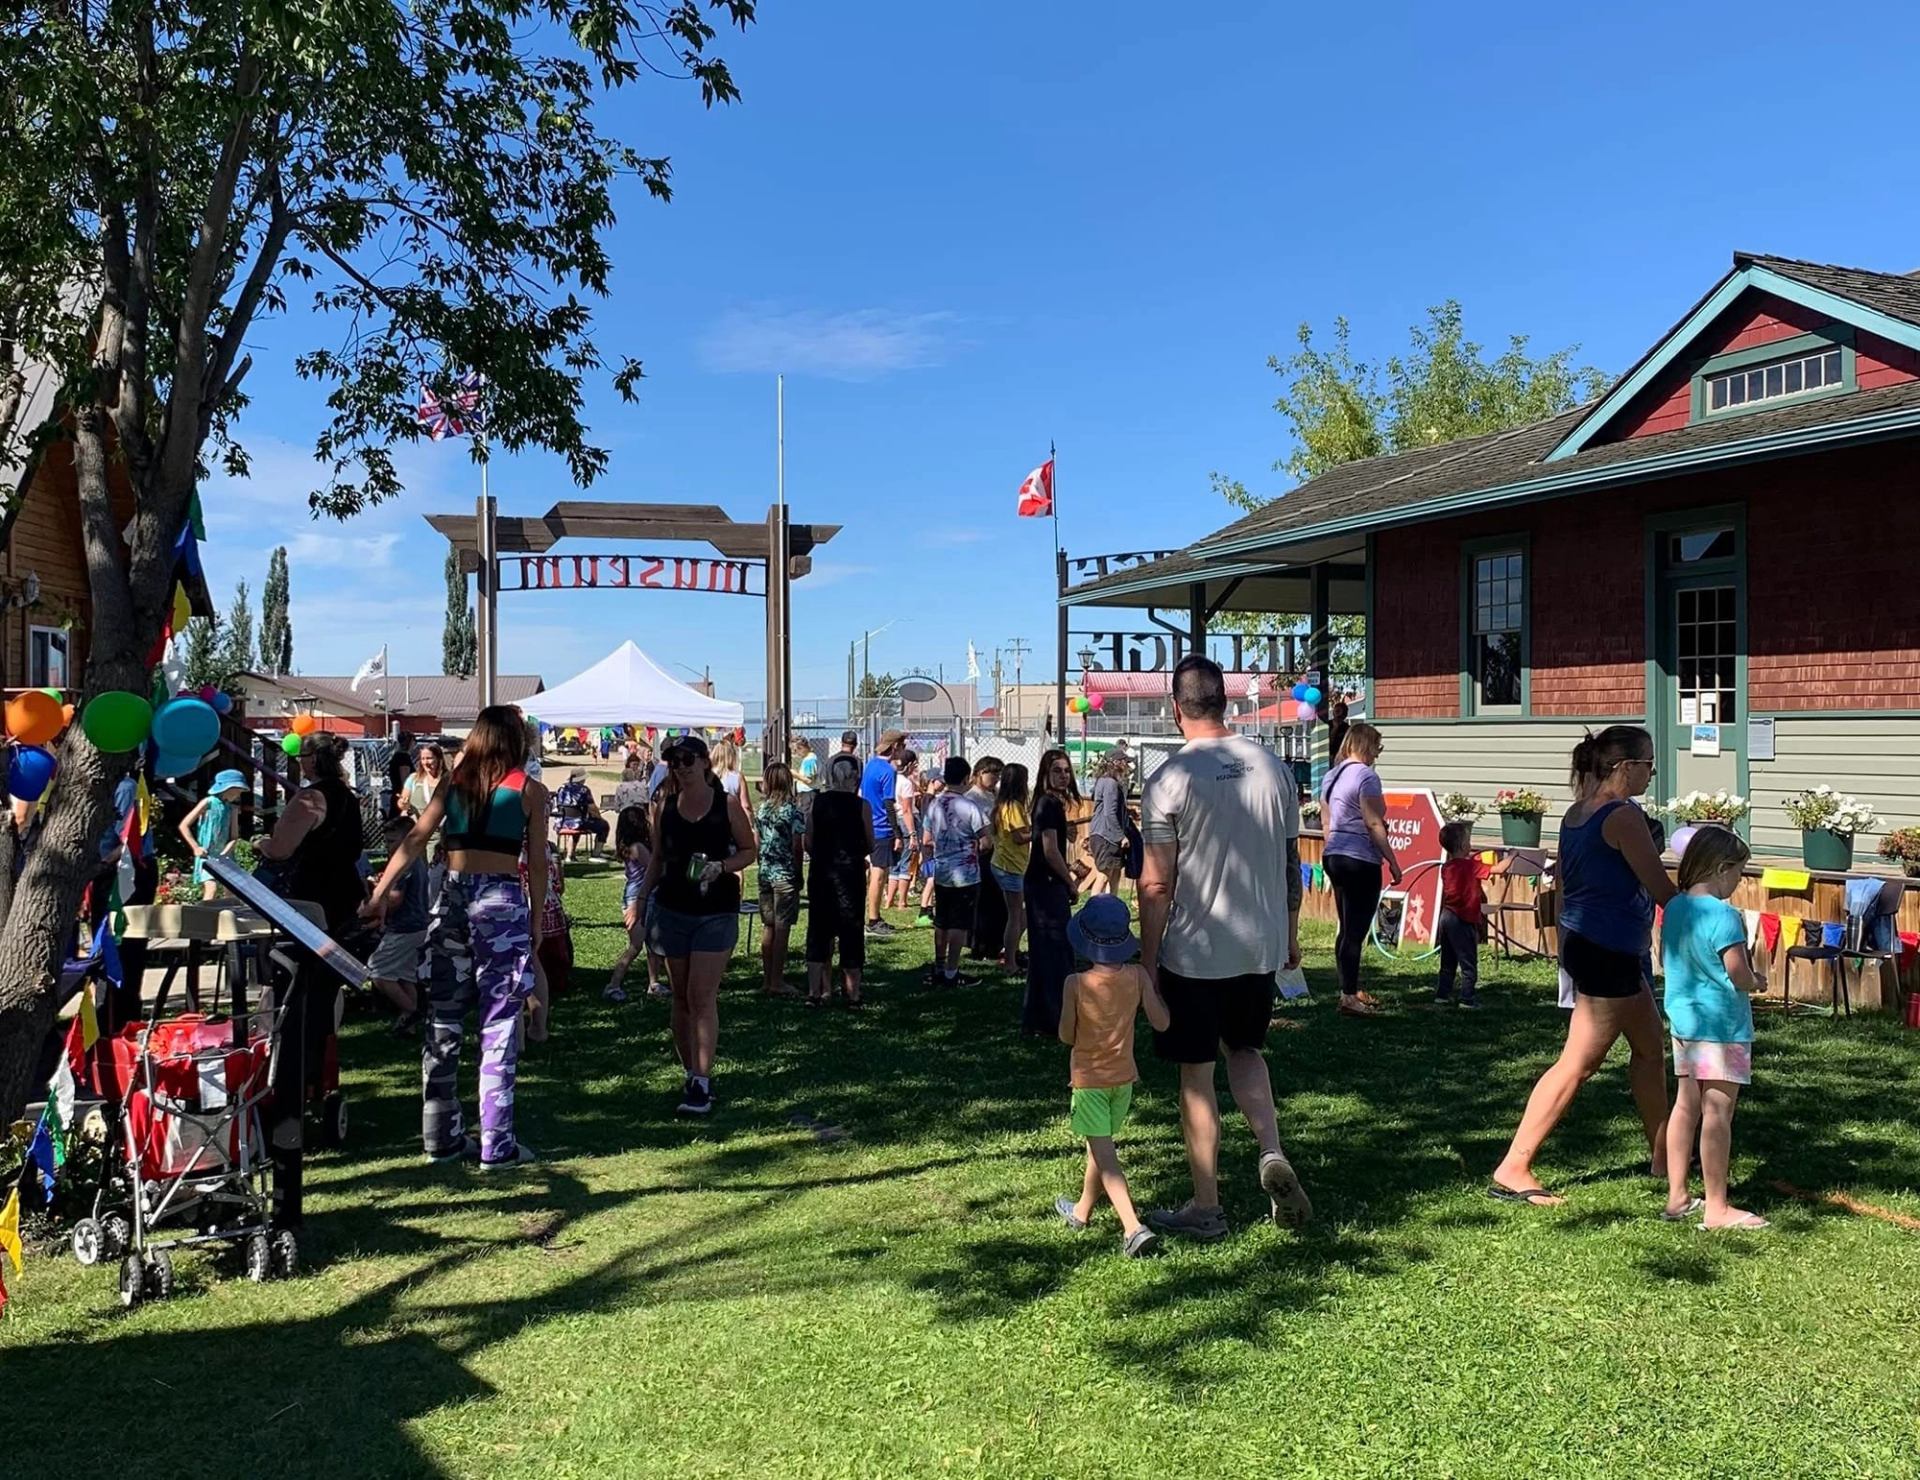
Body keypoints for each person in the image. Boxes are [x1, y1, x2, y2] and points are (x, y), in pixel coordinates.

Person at [1139, 654, 1312, 1241]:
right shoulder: (1272, 768)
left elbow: (1156, 883)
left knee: (1196, 1072)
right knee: (1246, 1050)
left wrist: (1146, 962)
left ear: (1175, 707)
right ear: (1226, 702)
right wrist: (1289, 935)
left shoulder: (1168, 778)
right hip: (1259, 945)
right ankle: (1270, 1149)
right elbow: (1293, 866)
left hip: (1193, 952)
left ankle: (1206, 1205)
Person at [1490, 725, 1677, 1207]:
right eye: (1648, 765)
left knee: (1650, 1049)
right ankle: (1515, 1166)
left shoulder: (1577, 813)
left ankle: (1665, 1155)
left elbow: (1575, 888)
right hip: (1606, 951)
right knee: (1578, 1063)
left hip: (1595, 945)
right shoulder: (1621, 818)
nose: (1651, 774)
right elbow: (1660, 887)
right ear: (1624, 767)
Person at [364, 706, 548, 1170]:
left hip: (450, 899)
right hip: (501, 903)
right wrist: (536, 920)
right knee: (500, 1024)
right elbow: (540, 865)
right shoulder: (529, 791)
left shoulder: (453, 786)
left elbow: (415, 840)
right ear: (516, 742)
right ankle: (497, 1143)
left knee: (442, 1020)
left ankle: (439, 1138)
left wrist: (379, 893)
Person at [639, 733, 756, 1116]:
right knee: (681, 998)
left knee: (701, 994)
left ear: (705, 762)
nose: (682, 766)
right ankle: (691, 1073)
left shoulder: (725, 805)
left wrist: (720, 866)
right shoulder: (665, 807)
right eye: (674, 760)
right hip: (673, 910)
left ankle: (702, 1085)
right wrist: (640, 901)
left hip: (716, 911)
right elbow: (657, 858)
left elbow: (748, 850)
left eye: (689, 759)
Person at [1661, 827, 1768, 1230]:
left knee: (1685, 1106)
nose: (1739, 881)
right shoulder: (1724, 915)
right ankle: (1718, 1208)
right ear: (1722, 869)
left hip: (1684, 1023)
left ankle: (1677, 1196)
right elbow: (1737, 973)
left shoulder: (1674, 907)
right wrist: (1757, 981)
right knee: (1717, 1112)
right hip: (1721, 1027)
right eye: (1739, 873)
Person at [1054, 894, 1170, 1259]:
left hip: (1089, 1081)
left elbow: (1066, 1036)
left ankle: (1133, 1227)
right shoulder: (1136, 976)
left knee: (1106, 1155)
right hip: (1123, 1081)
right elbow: (1162, 1022)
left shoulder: (1076, 983)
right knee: (1098, 1148)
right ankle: (1081, 1212)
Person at [1320, 722, 1403, 1019]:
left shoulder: (1331, 776)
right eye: (1376, 749)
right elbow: (1373, 822)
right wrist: (1392, 860)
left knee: (1345, 926)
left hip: (1334, 855)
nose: (1376, 756)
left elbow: (1327, 821)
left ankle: (1349, 988)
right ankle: (1348, 996)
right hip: (1360, 859)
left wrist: (1333, 849)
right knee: (1357, 930)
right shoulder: (1366, 777)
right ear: (1366, 746)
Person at [805, 752, 874, 1006]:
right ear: (855, 776)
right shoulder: (861, 806)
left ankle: (816, 991)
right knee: (851, 929)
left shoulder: (817, 802)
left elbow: (808, 840)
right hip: (850, 874)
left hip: (821, 872)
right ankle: (852, 991)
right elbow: (870, 841)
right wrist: (855, 854)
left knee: (819, 929)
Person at [1022, 747, 1080, 1037]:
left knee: (1054, 950)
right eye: (1057, 770)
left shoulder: (1053, 804)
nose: (1063, 776)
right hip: (1044, 883)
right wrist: (1069, 880)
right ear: (1046, 773)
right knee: (1052, 949)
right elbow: (1048, 849)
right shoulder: (1047, 804)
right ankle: (1051, 1017)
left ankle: (1045, 1017)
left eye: (1067, 771)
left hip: (1046, 882)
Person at [923, 756, 988, 987]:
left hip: (942, 872)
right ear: (966, 778)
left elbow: (927, 838)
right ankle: (952, 971)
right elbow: (986, 840)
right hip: (966, 874)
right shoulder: (970, 807)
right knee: (959, 924)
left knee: (942, 921)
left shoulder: (934, 804)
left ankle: (939, 965)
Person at [369, 813, 431, 1034]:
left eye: (392, 840)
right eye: (386, 841)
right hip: (419, 925)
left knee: (379, 971)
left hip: (404, 927)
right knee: (405, 976)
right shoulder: (418, 862)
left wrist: (373, 903)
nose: (388, 846)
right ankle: (409, 1026)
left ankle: (412, 1010)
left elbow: (395, 899)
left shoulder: (405, 865)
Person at [754, 761, 807, 999]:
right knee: (783, 927)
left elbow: (757, 842)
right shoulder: (793, 811)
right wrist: (799, 872)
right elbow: (797, 845)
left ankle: (767, 978)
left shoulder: (762, 809)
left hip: (765, 871)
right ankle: (777, 980)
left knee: (769, 925)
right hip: (785, 874)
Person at [1435, 821, 1489, 1008]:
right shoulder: (1471, 867)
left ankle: (1442, 995)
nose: (1470, 843)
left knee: (1448, 961)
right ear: (1462, 845)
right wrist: (1512, 856)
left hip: (1447, 917)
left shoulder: (1447, 867)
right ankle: (1467, 998)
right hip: (1463, 920)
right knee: (1468, 962)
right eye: (1468, 840)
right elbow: (1498, 869)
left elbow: (1462, 870)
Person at [861, 730, 906, 935]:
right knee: (879, 875)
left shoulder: (870, 764)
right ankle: (873, 919)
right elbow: (889, 803)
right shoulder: (888, 771)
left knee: (876, 872)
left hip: (869, 824)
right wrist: (897, 832)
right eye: (902, 745)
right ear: (894, 746)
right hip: (881, 827)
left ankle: (875, 916)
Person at [179, 768, 248, 900]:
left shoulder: (232, 809)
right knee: (212, 888)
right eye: (237, 790)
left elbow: (234, 837)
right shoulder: (208, 802)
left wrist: (225, 853)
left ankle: (229, 915)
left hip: (225, 857)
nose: (239, 794)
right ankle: (205, 917)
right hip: (207, 855)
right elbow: (184, 825)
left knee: (231, 889)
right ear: (227, 788)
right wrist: (196, 847)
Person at [991, 762, 1032, 972]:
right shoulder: (1013, 806)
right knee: (1015, 915)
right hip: (1010, 866)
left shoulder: (1002, 804)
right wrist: (1040, 832)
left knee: (1022, 913)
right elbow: (1018, 837)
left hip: (1006, 863)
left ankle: (1010, 950)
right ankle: (1010, 963)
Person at [966, 757, 1007, 962]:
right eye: (993, 774)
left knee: (998, 901)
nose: (996, 779)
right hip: (980, 853)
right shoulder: (971, 797)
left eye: (999, 775)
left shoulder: (995, 795)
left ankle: (995, 943)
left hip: (998, 851)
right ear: (980, 773)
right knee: (983, 902)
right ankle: (979, 944)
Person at [1086, 750, 1131, 896]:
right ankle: (1093, 911)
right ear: (1116, 763)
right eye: (1125, 762)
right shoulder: (1111, 783)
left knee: (1115, 875)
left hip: (1106, 834)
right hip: (1106, 836)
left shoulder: (1103, 781)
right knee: (1103, 876)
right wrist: (1121, 836)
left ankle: (1111, 910)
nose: (1127, 766)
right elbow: (1109, 813)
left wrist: (1127, 812)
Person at [885, 749, 921, 912]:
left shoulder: (890, 779)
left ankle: (889, 900)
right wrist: (913, 833)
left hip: (892, 821)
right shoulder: (905, 783)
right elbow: (907, 810)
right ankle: (902, 902)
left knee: (895, 862)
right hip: (905, 822)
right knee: (906, 861)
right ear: (910, 764)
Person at [553, 767, 608, 860]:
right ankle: (596, 854)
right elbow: (592, 808)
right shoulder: (584, 790)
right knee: (604, 826)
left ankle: (570, 856)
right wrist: (600, 817)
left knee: (575, 828)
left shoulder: (562, 788)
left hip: (561, 822)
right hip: (578, 822)